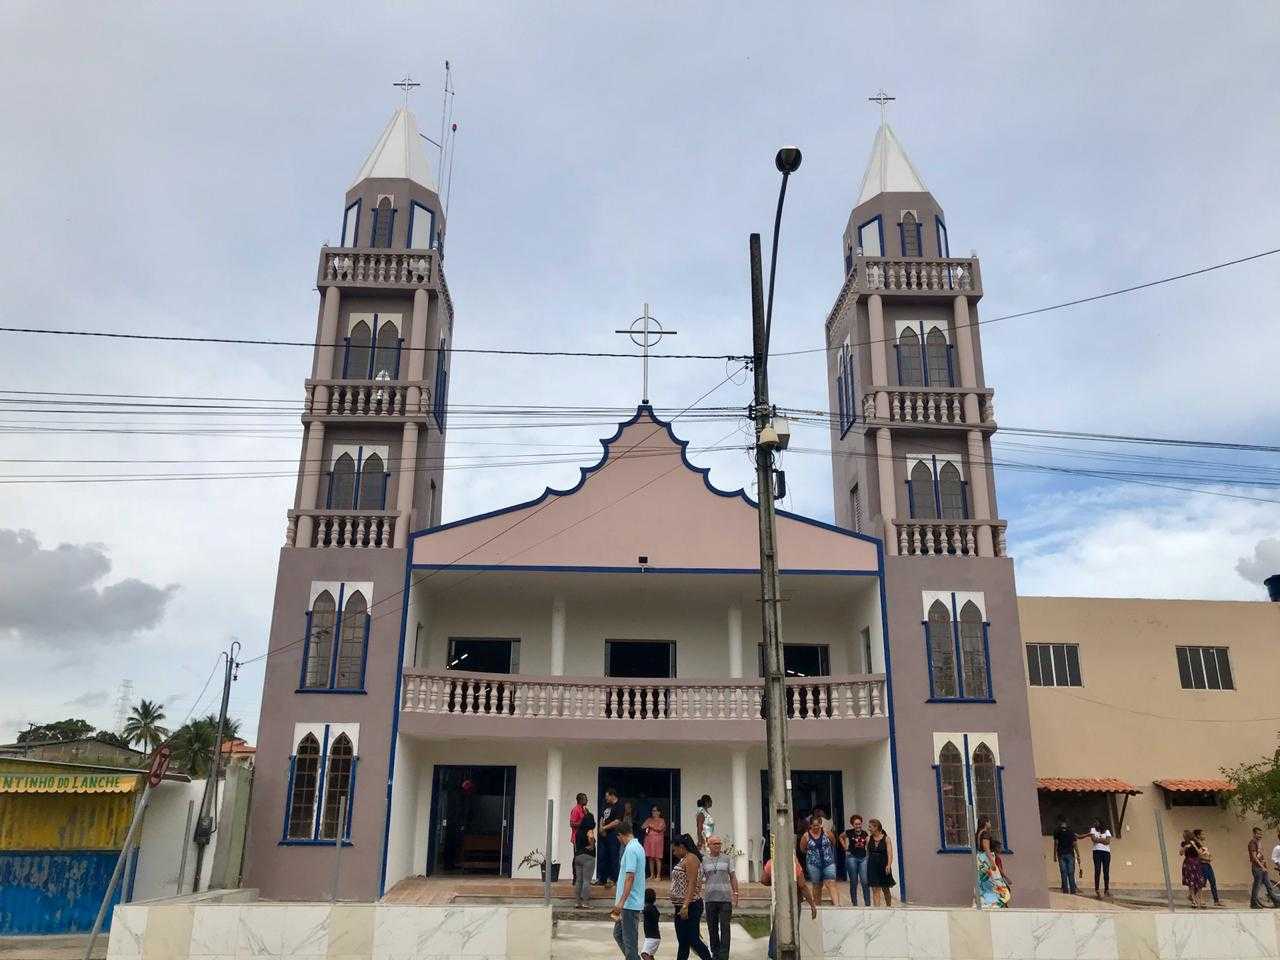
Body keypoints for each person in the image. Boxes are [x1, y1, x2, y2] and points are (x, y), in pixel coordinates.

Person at [762, 854, 818, 960]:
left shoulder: (772, 862)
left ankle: (772, 955)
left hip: (780, 900)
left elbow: (764, 880)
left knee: (777, 929)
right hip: (793, 901)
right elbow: (802, 885)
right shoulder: (793, 863)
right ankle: (792, 956)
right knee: (793, 930)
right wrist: (812, 905)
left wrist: (776, 883)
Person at [669, 834, 712, 960]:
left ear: (682, 847)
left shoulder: (691, 859)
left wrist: (685, 906)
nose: (674, 853)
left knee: (693, 939)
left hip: (690, 905)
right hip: (680, 906)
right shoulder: (684, 859)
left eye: (675, 850)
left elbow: (692, 883)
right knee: (683, 941)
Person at [610, 820, 647, 960]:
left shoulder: (631, 849)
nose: (619, 841)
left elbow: (630, 877)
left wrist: (621, 902)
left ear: (620, 835)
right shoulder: (637, 847)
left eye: (618, 838)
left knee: (630, 943)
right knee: (618, 934)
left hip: (629, 903)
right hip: (628, 903)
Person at [701, 835, 738, 960]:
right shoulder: (704, 860)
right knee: (712, 928)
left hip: (725, 899)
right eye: (715, 844)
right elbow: (699, 878)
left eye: (719, 843)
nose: (717, 846)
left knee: (725, 928)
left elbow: (733, 877)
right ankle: (715, 954)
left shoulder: (727, 859)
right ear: (709, 845)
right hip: (710, 899)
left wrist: (736, 893)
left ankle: (724, 956)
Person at [799, 815, 841, 906]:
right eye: (814, 825)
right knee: (817, 885)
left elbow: (833, 842)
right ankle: (817, 906)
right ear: (810, 825)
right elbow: (802, 849)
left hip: (828, 862)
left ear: (821, 824)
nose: (816, 827)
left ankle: (837, 905)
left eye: (818, 825)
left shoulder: (827, 833)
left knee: (831, 882)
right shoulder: (806, 836)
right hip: (813, 864)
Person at [840, 814, 871, 906]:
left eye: (859, 824)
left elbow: (868, 845)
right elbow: (840, 837)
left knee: (865, 881)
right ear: (852, 824)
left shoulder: (865, 833)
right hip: (852, 857)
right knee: (854, 881)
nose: (858, 826)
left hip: (863, 858)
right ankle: (854, 903)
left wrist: (868, 855)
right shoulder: (849, 832)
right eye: (856, 824)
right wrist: (845, 847)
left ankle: (867, 903)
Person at [977, 827, 1011, 908]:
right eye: (999, 848)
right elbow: (999, 869)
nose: (1001, 850)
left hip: (988, 876)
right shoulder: (994, 858)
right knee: (1003, 892)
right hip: (994, 877)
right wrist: (1006, 878)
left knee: (987, 888)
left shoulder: (979, 835)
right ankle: (1000, 905)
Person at [573, 797, 597, 909]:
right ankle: (585, 903)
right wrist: (592, 845)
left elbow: (575, 843)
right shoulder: (589, 830)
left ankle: (577, 902)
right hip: (588, 857)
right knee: (587, 880)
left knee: (579, 880)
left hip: (578, 856)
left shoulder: (578, 832)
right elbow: (591, 837)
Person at [1248, 826, 1280, 909]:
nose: (1260, 836)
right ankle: (1253, 903)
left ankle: (1276, 902)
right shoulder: (1252, 843)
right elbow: (1254, 857)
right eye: (1258, 834)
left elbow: (1260, 855)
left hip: (1263, 868)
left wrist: (1264, 865)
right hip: (1257, 868)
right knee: (1257, 886)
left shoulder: (1258, 843)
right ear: (1254, 834)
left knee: (1269, 886)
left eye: (1261, 834)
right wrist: (1262, 866)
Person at [865, 818, 895, 906]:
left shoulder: (886, 839)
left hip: (883, 865)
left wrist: (888, 865)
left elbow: (890, 853)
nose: (868, 829)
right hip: (872, 866)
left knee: (885, 889)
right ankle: (877, 910)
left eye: (870, 827)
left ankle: (889, 906)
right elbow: (867, 853)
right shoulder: (868, 839)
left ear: (876, 827)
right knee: (875, 889)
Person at [1052, 815, 1082, 895]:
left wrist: (1054, 855)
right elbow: (1075, 843)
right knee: (1071, 873)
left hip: (1061, 854)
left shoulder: (1057, 831)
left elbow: (1056, 843)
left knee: (1063, 873)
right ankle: (1073, 891)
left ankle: (1065, 891)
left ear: (1059, 821)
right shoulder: (1071, 831)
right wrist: (1078, 855)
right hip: (1070, 854)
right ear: (1066, 821)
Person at [598, 788, 622, 886]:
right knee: (602, 856)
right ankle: (602, 879)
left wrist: (604, 828)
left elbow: (617, 821)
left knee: (613, 856)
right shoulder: (606, 805)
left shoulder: (619, 806)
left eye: (607, 796)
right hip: (604, 835)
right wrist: (601, 828)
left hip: (613, 835)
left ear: (612, 795)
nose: (606, 798)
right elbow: (602, 817)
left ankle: (614, 879)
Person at [1085, 819, 1113, 898]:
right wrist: (1103, 840)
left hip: (1106, 853)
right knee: (1097, 870)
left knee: (1106, 871)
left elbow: (1108, 842)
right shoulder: (1093, 830)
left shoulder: (1107, 831)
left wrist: (1099, 840)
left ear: (1100, 823)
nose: (1095, 824)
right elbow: (1093, 839)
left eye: (1096, 822)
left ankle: (1106, 890)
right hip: (1097, 852)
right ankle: (1097, 889)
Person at [1192, 829, 1221, 907]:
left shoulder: (1203, 844)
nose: (1204, 836)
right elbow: (1198, 855)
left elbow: (1206, 853)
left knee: (1212, 881)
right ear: (1198, 836)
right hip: (1203, 865)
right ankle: (1193, 896)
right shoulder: (1196, 844)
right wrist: (1206, 858)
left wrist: (1209, 857)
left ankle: (1216, 901)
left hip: (1208, 864)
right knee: (1202, 882)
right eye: (1202, 834)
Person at [1180, 829, 1206, 908]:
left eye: (1184, 835)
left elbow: (1200, 853)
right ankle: (1193, 901)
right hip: (1188, 863)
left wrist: (1194, 846)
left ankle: (1200, 899)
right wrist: (1185, 847)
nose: (1183, 836)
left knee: (1200, 882)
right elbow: (1181, 853)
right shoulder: (1184, 843)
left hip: (1196, 862)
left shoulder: (1196, 843)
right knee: (1191, 882)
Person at [642, 805, 667, 880]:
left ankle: (658, 875)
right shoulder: (649, 819)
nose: (653, 812)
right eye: (652, 811)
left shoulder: (661, 820)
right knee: (650, 858)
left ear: (659, 812)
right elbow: (643, 826)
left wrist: (651, 826)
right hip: (649, 840)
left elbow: (659, 829)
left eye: (655, 811)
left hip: (658, 841)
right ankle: (652, 875)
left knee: (657, 858)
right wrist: (647, 825)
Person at [570, 793, 589, 886]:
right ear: (580, 800)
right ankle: (576, 878)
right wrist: (583, 822)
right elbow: (572, 823)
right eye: (585, 799)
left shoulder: (584, 810)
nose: (587, 800)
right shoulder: (576, 809)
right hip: (577, 838)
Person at [641, 887, 661, 960]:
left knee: (644, 954)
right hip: (655, 937)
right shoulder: (654, 908)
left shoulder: (647, 908)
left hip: (651, 938)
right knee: (650, 955)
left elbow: (642, 911)